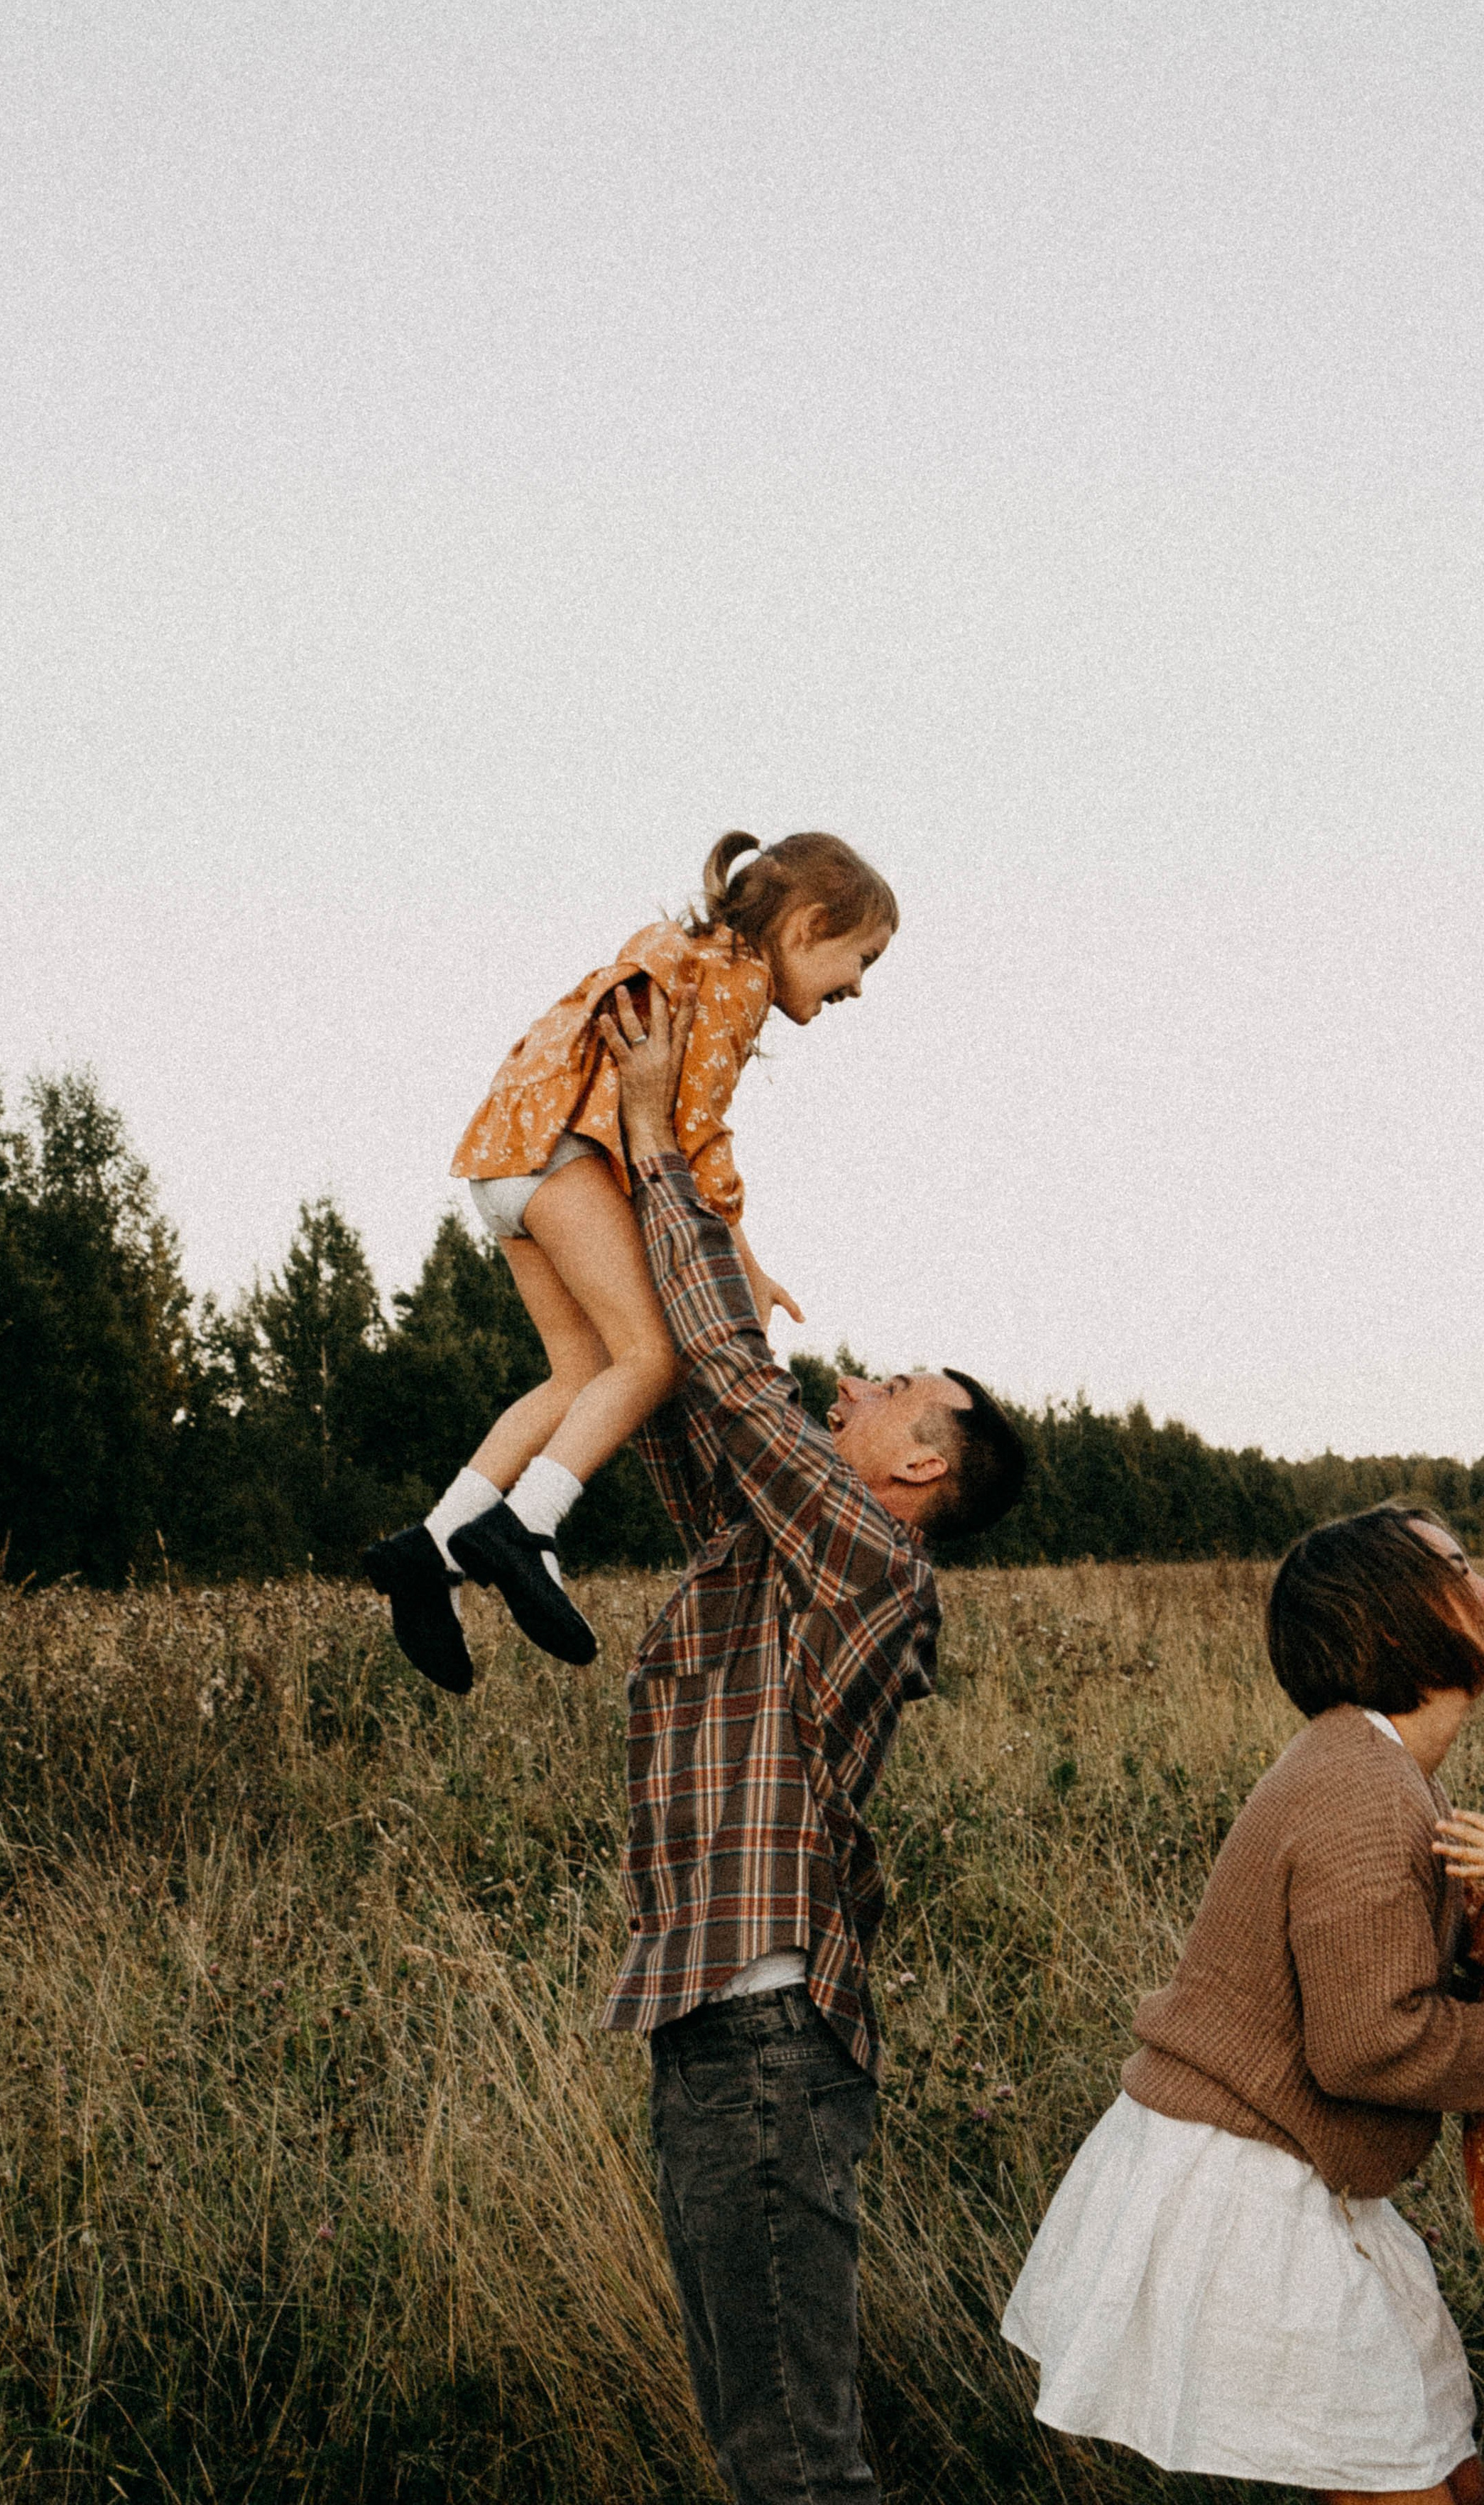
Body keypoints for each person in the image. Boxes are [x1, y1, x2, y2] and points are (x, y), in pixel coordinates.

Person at [598, 977, 1026, 2505]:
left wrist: (653, 1143)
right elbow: (678, 1409)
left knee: (799, 2471)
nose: (846, 1380)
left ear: (919, 1458)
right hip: (716, 2037)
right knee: (763, 2450)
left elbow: (732, 1375)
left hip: (763, 2048)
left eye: (889, 1384)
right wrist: (661, 1168)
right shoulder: (781, 1550)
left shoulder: (867, 1555)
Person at [1003, 1504, 1484, 2505]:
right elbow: (1371, 2046)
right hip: (1246, 2194)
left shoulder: (1387, 1769)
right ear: (1395, 1622)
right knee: (1411, 2491)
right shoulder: (1364, 1782)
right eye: (1457, 1563)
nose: (1483, 1577)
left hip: (1298, 2181)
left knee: (1446, 2470)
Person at [360, 829, 899, 1694]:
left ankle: (429, 1549)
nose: (860, 986)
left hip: (504, 1154)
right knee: (652, 1356)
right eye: (861, 958)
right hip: (563, 1153)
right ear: (807, 926)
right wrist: (740, 1252)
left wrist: (742, 1251)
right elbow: (697, 1135)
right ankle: (526, 1527)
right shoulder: (739, 978)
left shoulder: (690, 955)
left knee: (577, 1375)